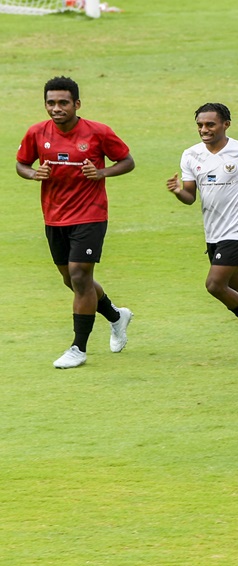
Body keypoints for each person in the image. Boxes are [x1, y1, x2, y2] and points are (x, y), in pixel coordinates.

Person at [17, 76, 135, 369]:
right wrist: (33, 174)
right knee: (70, 278)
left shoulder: (97, 132)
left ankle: (78, 348)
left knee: (80, 276)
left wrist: (102, 173)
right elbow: (21, 164)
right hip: (54, 216)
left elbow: (127, 161)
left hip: (90, 214)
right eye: (51, 103)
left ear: (76, 104)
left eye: (63, 103)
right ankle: (116, 316)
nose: (56, 108)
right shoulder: (36, 133)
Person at [168, 102, 238, 362]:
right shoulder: (191, 155)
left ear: (225, 124)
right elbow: (189, 197)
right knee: (237, 288)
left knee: (215, 284)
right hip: (213, 233)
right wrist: (178, 191)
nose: (204, 129)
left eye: (210, 124)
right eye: (200, 125)